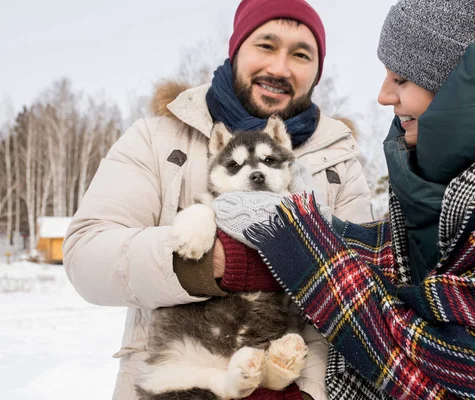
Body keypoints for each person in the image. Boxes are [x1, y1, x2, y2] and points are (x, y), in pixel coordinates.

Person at [213, 0, 475, 398]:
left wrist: (301, 243)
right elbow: (410, 259)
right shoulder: (465, 175)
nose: (382, 96)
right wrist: (328, 229)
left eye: (401, 79)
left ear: (466, 83)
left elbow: (452, 374)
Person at [63, 0, 374, 399]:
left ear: (317, 71)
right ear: (237, 50)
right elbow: (87, 255)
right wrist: (213, 262)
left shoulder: (340, 160)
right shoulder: (157, 138)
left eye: (300, 54)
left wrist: (307, 391)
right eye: (266, 45)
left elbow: (361, 291)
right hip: (181, 370)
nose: (280, 68)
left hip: (287, 377)